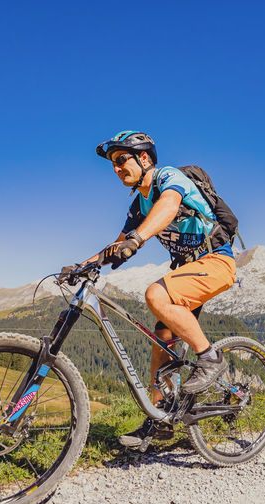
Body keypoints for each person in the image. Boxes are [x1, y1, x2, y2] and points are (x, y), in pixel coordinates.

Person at [62, 130, 237, 448]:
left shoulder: (168, 178)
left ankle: (211, 359)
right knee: (163, 341)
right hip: (188, 270)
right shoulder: (138, 205)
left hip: (215, 262)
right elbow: (116, 245)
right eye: (112, 164)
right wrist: (82, 266)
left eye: (120, 160)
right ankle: (162, 418)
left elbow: (169, 206)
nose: (116, 168)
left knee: (155, 294)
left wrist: (138, 240)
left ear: (144, 158)